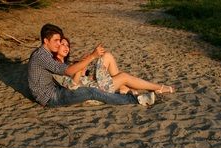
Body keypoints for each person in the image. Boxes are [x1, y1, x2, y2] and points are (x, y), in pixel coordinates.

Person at [27, 23, 155, 107]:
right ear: (45, 40)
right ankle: (135, 100)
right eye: (56, 41)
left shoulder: (45, 55)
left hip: (56, 91)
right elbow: (67, 72)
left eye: (60, 41)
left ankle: (126, 92)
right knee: (92, 92)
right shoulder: (42, 56)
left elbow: (67, 72)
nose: (58, 44)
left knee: (94, 89)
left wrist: (82, 65)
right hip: (51, 98)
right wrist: (92, 57)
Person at [53, 37, 174, 96]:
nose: (66, 47)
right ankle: (159, 87)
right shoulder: (56, 65)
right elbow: (72, 87)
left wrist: (83, 66)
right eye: (62, 44)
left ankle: (123, 88)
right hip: (96, 88)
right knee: (124, 76)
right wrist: (82, 65)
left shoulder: (67, 64)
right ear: (55, 47)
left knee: (107, 55)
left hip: (93, 82)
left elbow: (83, 76)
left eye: (67, 45)